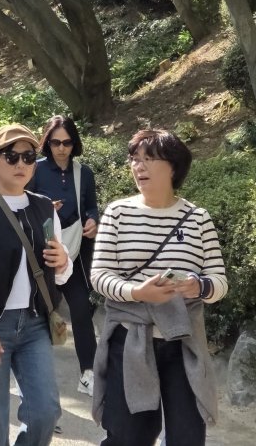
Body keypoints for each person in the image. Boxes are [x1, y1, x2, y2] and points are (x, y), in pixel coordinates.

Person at [90, 130, 227, 446]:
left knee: (187, 436)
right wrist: (138, 293)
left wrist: (198, 286)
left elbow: (219, 282)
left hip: (182, 340)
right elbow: (99, 276)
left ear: (174, 167)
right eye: (135, 159)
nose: (139, 167)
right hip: (130, 339)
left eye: (149, 159)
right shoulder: (118, 213)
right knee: (129, 436)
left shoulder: (197, 219)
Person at [0, 124, 71, 446]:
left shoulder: (43, 207)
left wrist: (63, 261)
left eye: (29, 157)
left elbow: (60, 274)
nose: (22, 164)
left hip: (36, 322)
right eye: (11, 156)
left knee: (46, 411)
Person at [28, 115, 99, 396]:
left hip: (74, 252)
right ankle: (34, 381)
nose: (61, 148)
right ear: (47, 143)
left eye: (67, 142)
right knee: (38, 313)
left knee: (81, 310)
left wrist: (94, 220)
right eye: (55, 142)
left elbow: (91, 207)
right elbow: (22, 205)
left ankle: (88, 372)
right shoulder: (34, 169)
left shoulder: (84, 173)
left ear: (74, 143)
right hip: (41, 253)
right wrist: (45, 208)